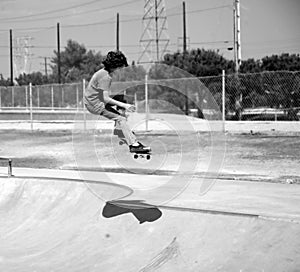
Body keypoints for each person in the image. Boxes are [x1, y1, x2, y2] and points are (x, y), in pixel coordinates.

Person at [83, 51, 151, 153]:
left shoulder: (103, 72)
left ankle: (120, 129)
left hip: (93, 100)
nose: (122, 70)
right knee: (121, 118)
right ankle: (134, 145)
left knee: (120, 98)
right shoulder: (106, 77)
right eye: (121, 68)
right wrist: (125, 106)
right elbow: (105, 98)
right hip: (95, 104)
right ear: (115, 66)